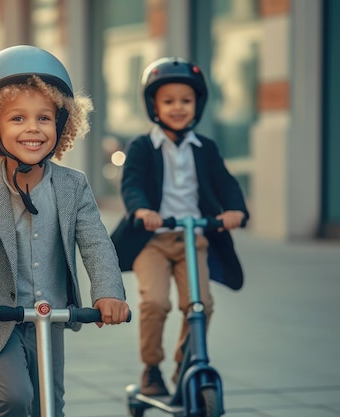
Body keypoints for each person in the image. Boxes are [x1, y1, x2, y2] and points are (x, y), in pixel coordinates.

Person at [0, 45, 130, 417]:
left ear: (62, 126)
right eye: (17, 118)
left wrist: (108, 292)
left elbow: (95, 242)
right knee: (16, 398)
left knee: (51, 405)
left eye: (44, 118)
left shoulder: (73, 187)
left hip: (51, 317)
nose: (33, 128)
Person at [110, 57, 249, 396]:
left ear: (197, 105)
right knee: (156, 303)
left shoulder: (205, 149)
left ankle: (186, 364)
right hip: (152, 241)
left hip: (194, 237)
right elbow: (133, 183)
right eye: (168, 101)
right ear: (153, 105)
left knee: (200, 305)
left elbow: (226, 183)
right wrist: (142, 209)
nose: (177, 108)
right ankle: (152, 368)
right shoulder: (142, 146)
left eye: (185, 101)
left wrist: (236, 210)